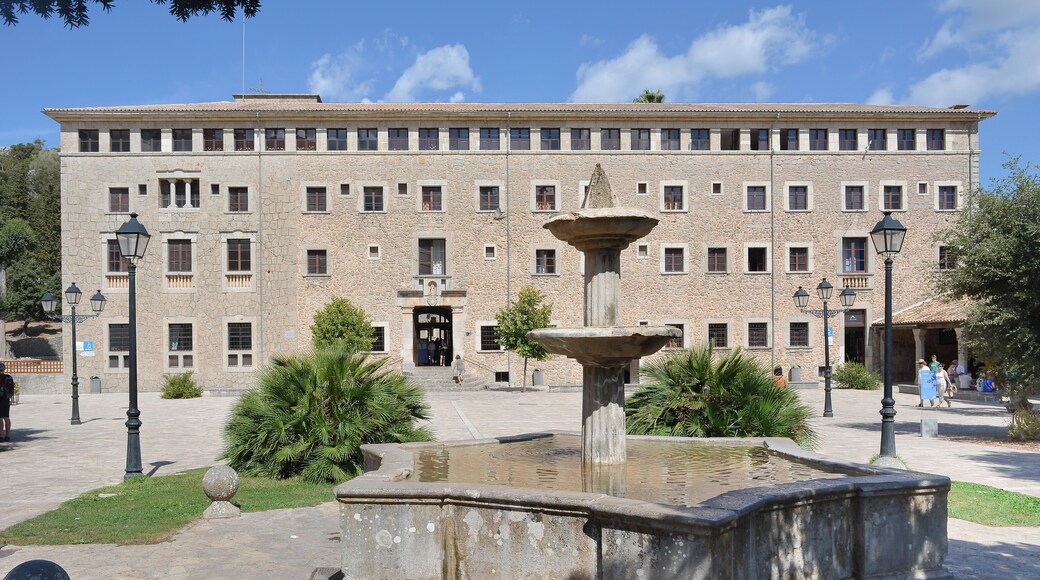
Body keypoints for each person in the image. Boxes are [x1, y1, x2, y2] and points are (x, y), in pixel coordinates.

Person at [0, 362, 13, 442]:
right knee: (6, 417)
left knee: (0, 418)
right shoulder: (9, 377)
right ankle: (7, 435)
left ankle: (1, 436)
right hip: (6, 399)